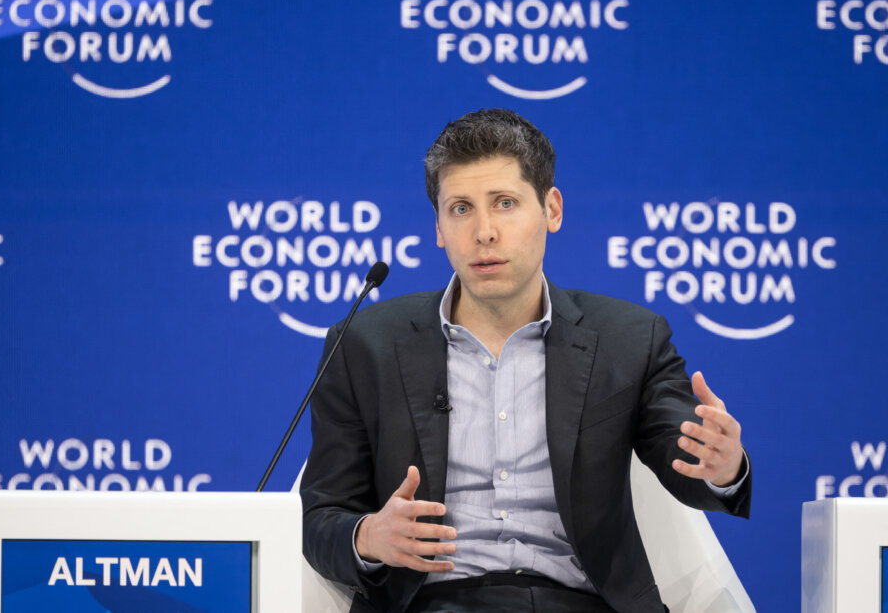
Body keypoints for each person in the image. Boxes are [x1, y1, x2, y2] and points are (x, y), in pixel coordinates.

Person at [300, 108, 750, 613]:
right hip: (429, 604)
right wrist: (368, 537)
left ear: (551, 209)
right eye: (461, 209)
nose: (484, 231)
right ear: (439, 228)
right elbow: (320, 517)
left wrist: (722, 466)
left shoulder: (628, 338)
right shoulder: (364, 344)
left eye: (505, 203)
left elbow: (684, 457)